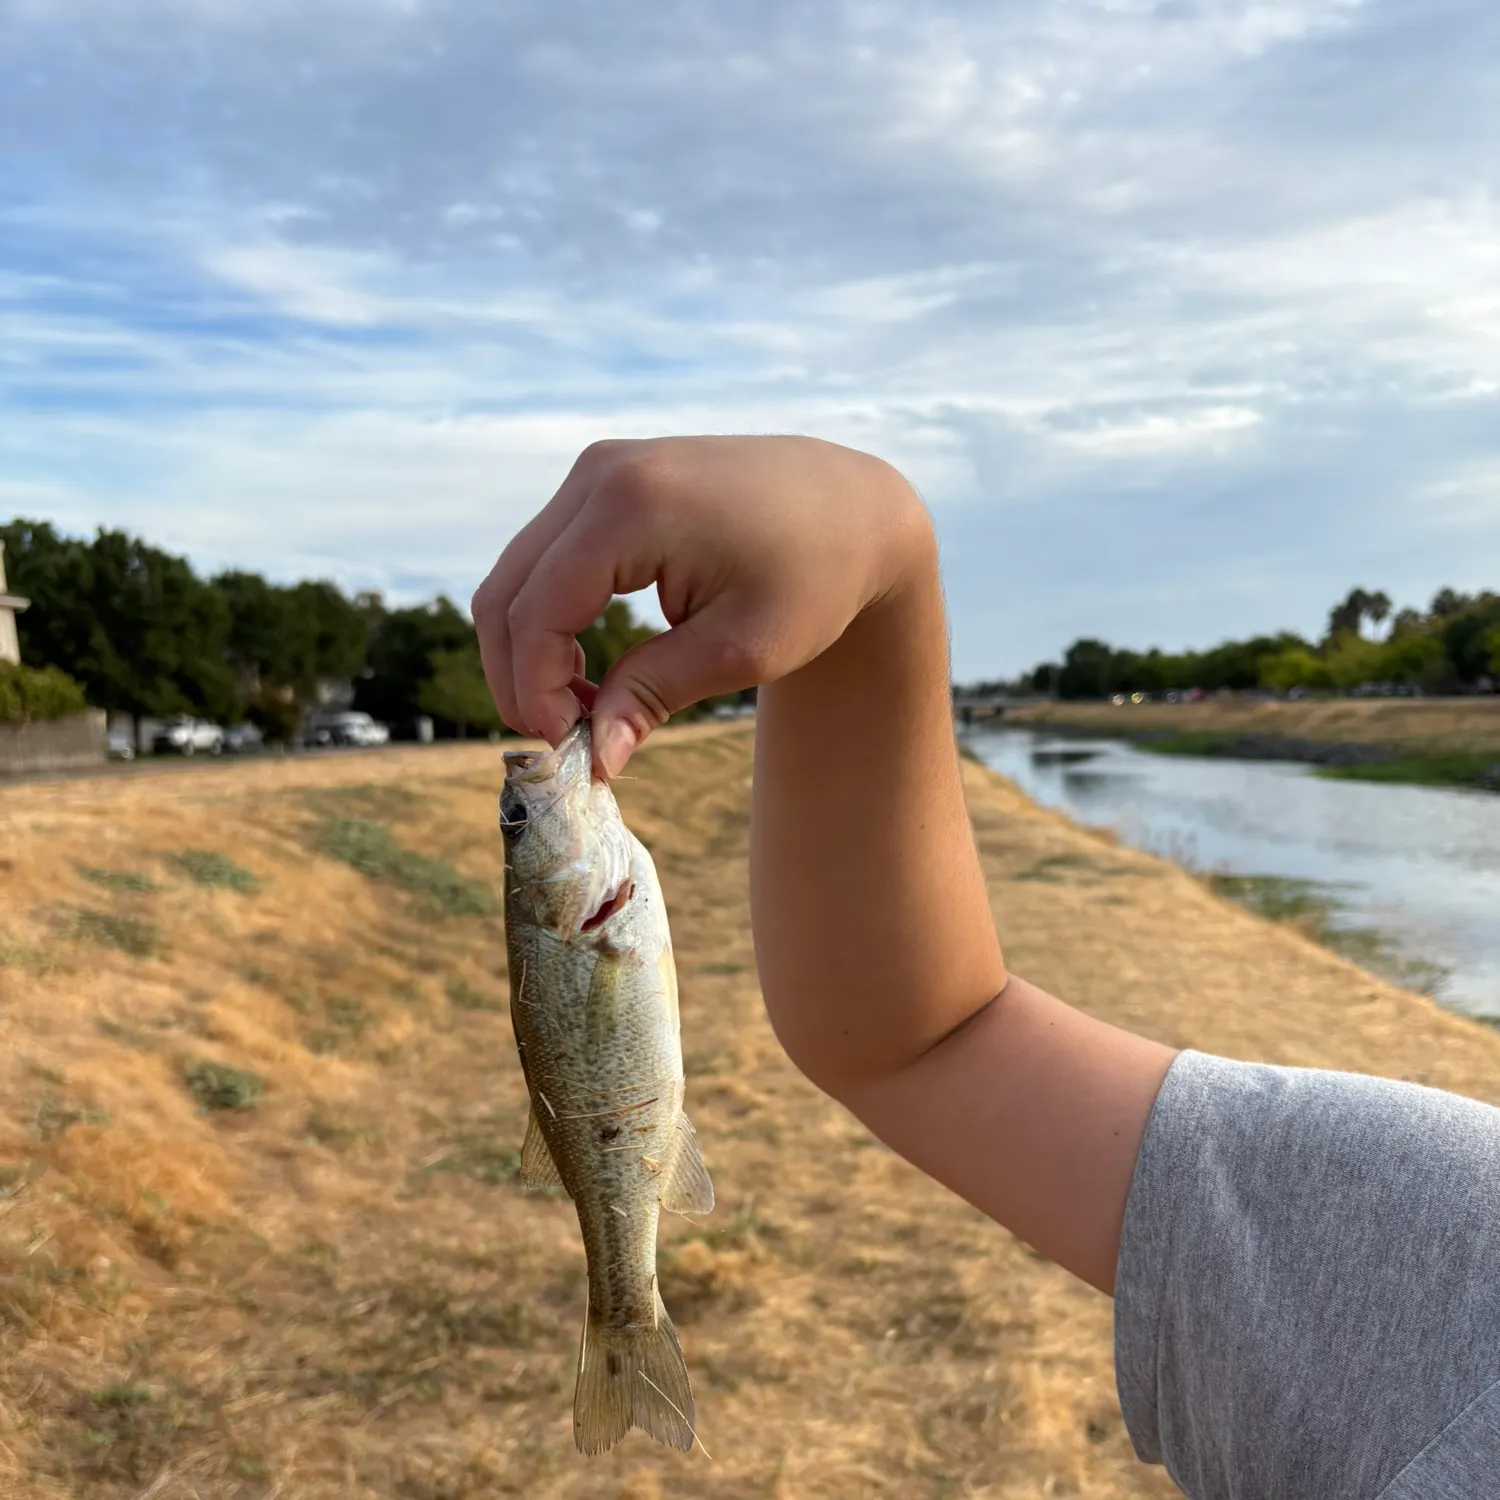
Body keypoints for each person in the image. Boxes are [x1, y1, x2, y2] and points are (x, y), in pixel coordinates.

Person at [472, 435, 1500, 1499]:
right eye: (522, 825)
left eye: (520, 823)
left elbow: (922, 1044)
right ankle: (623, 1309)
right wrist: (878, 559)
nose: (530, 807)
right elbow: (922, 1035)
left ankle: (623, 1313)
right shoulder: (1458, 1276)